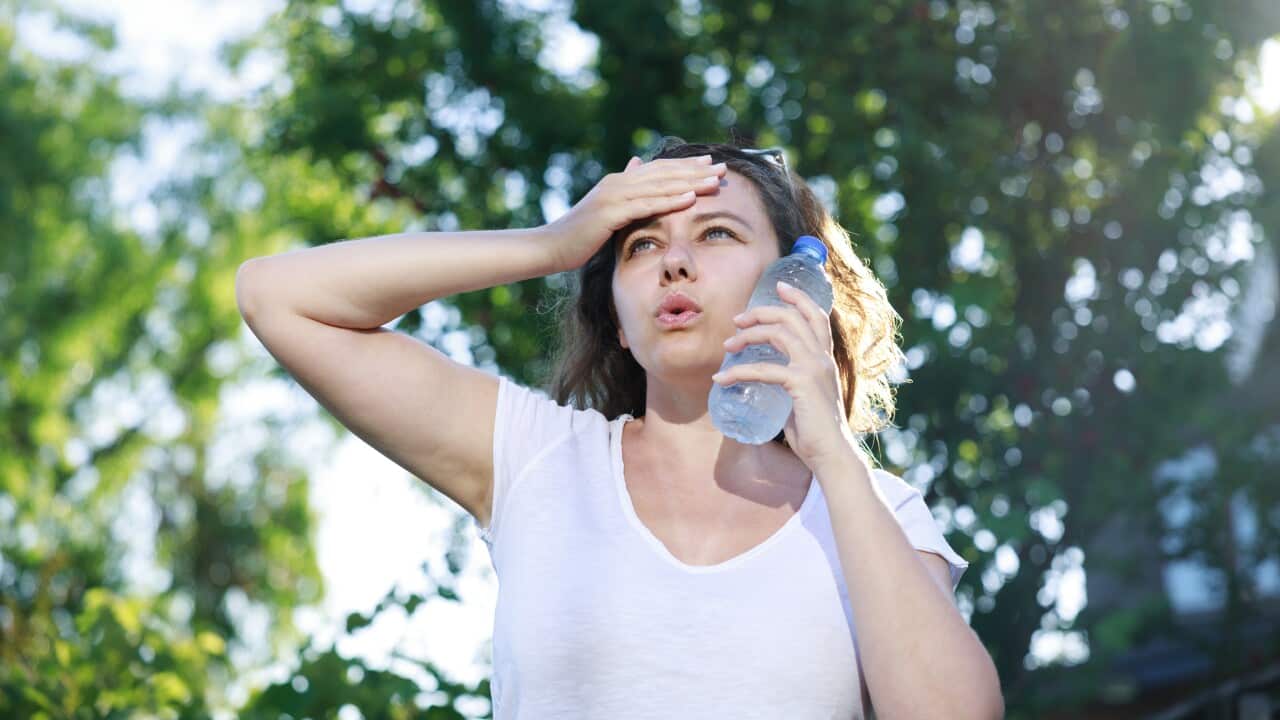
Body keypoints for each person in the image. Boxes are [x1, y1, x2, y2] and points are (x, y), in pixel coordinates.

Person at [235, 136, 1004, 719]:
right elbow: (278, 296)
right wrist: (553, 242)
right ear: (621, 326)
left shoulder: (872, 512)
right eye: (642, 244)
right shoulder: (534, 459)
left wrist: (834, 458)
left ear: (793, 286)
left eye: (716, 234)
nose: (674, 262)